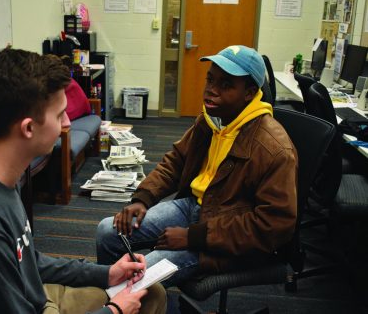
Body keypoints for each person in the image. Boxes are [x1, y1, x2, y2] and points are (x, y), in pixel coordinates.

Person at [0, 48, 166, 314]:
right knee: (141, 301)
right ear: (28, 128)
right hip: (27, 302)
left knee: (150, 291)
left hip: (30, 292)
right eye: (60, 115)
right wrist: (114, 311)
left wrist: (107, 273)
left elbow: (27, 260)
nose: (67, 122)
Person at [96, 45, 298, 287]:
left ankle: (132, 301)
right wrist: (143, 198)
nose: (211, 91)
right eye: (210, 80)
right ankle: (117, 302)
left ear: (250, 93)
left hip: (228, 240)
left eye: (226, 85)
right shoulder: (213, 119)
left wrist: (194, 238)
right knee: (108, 231)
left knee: (143, 277)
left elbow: (273, 226)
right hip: (195, 207)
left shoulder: (272, 147)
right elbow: (177, 160)